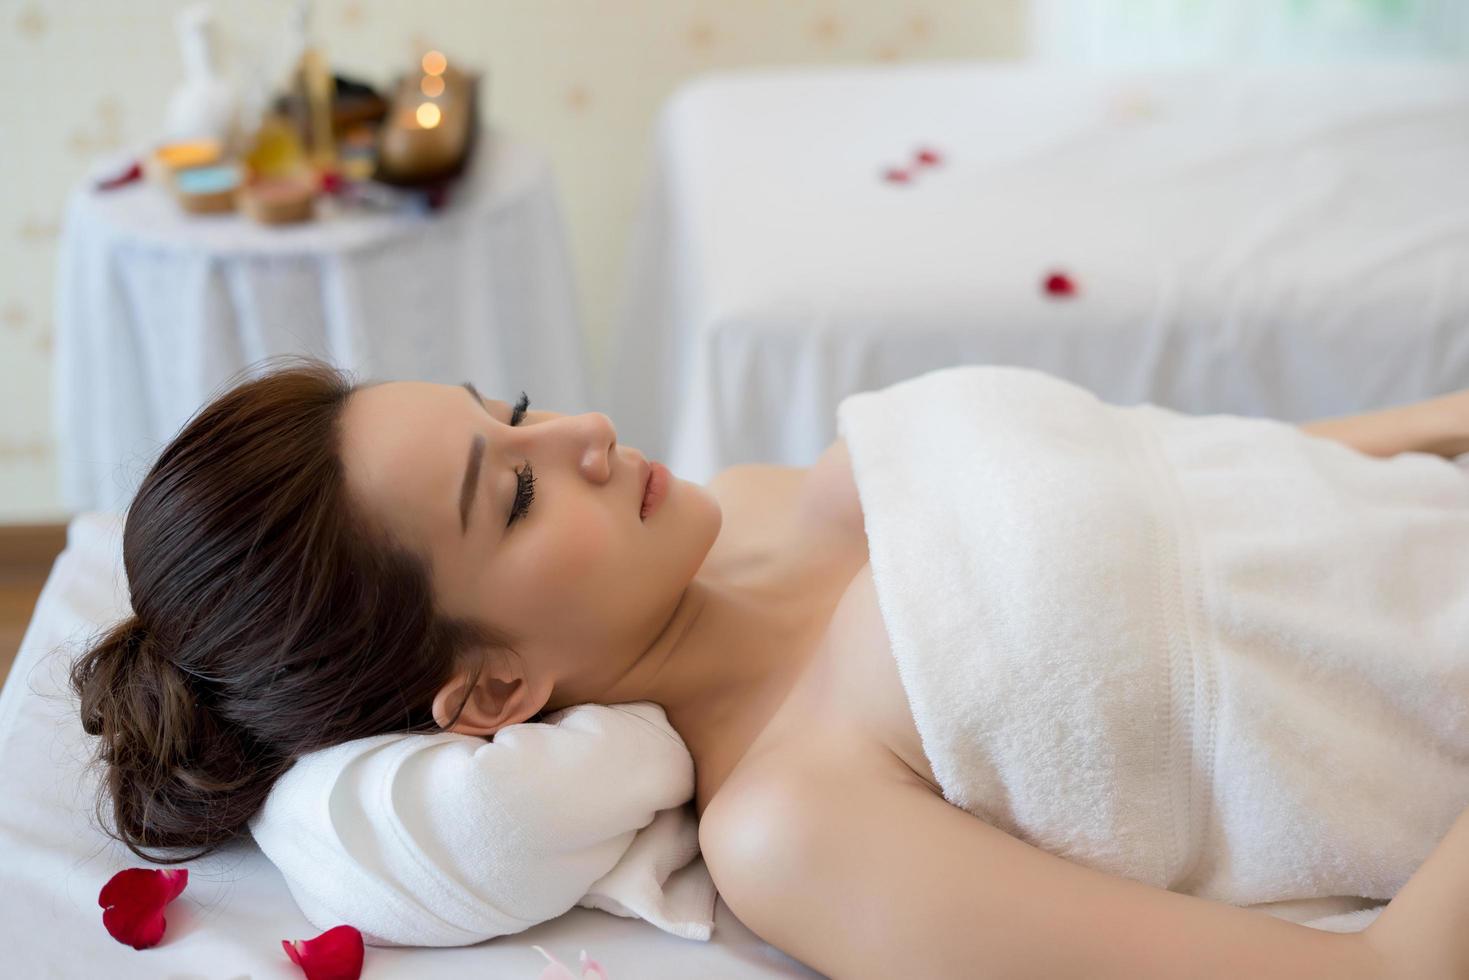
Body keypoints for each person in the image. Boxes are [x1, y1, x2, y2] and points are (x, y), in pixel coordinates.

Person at [69, 356, 1469, 978]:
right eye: (513, 494)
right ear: (492, 694)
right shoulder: (793, 828)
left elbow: (1213, 480)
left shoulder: (756, 494)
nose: (589, 433)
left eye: (515, 410)